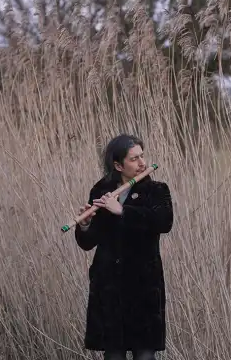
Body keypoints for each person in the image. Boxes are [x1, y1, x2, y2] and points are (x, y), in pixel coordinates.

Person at [75, 134, 174, 360]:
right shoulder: (102, 190)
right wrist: (85, 225)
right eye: (134, 159)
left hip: (143, 286)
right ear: (118, 165)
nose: (142, 163)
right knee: (113, 354)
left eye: (142, 156)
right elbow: (88, 243)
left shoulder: (156, 190)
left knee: (145, 354)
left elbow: (163, 222)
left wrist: (122, 211)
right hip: (110, 288)